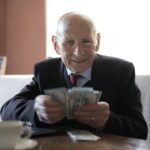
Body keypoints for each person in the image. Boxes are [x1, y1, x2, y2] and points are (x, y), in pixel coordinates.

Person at [0, 12, 148, 139]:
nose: (78, 52)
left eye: (86, 42)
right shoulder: (45, 71)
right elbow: (6, 110)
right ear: (56, 45)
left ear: (97, 42)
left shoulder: (121, 71)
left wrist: (107, 121)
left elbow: (140, 130)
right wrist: (36, 109)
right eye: (69, 43)